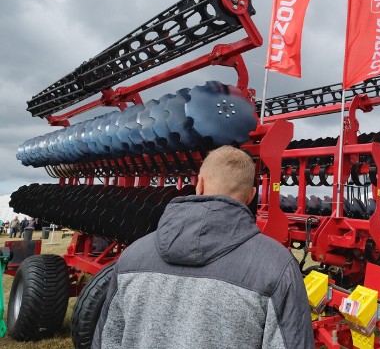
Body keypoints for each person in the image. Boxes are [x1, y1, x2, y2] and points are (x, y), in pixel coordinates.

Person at [93, 146, 314, 348]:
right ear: (251, 196)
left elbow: (108, 339)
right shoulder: (276, 267)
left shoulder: (131, 258)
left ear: (199, 184)